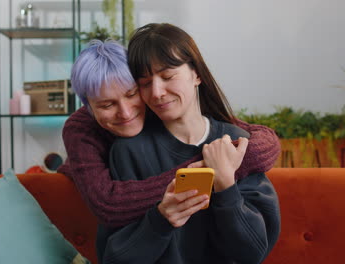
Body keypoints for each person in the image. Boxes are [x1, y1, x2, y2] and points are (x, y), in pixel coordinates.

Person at [97, 23, 281, 264]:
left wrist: (225, 184)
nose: (157, 92)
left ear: (196, 74)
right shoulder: (129, 152)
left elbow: (253, 252)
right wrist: (161, 220)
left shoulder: (237, 143)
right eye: (144, 83)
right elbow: (113, 258)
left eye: (167, 76)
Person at [58, 40, 281, 229]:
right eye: (107, 105)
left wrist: (222, 163)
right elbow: (109, 205)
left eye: (132, 93)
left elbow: (264, 141)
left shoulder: (157, 104)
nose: (125, 112)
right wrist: (207, 171)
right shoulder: (80, 128)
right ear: (88, 106)